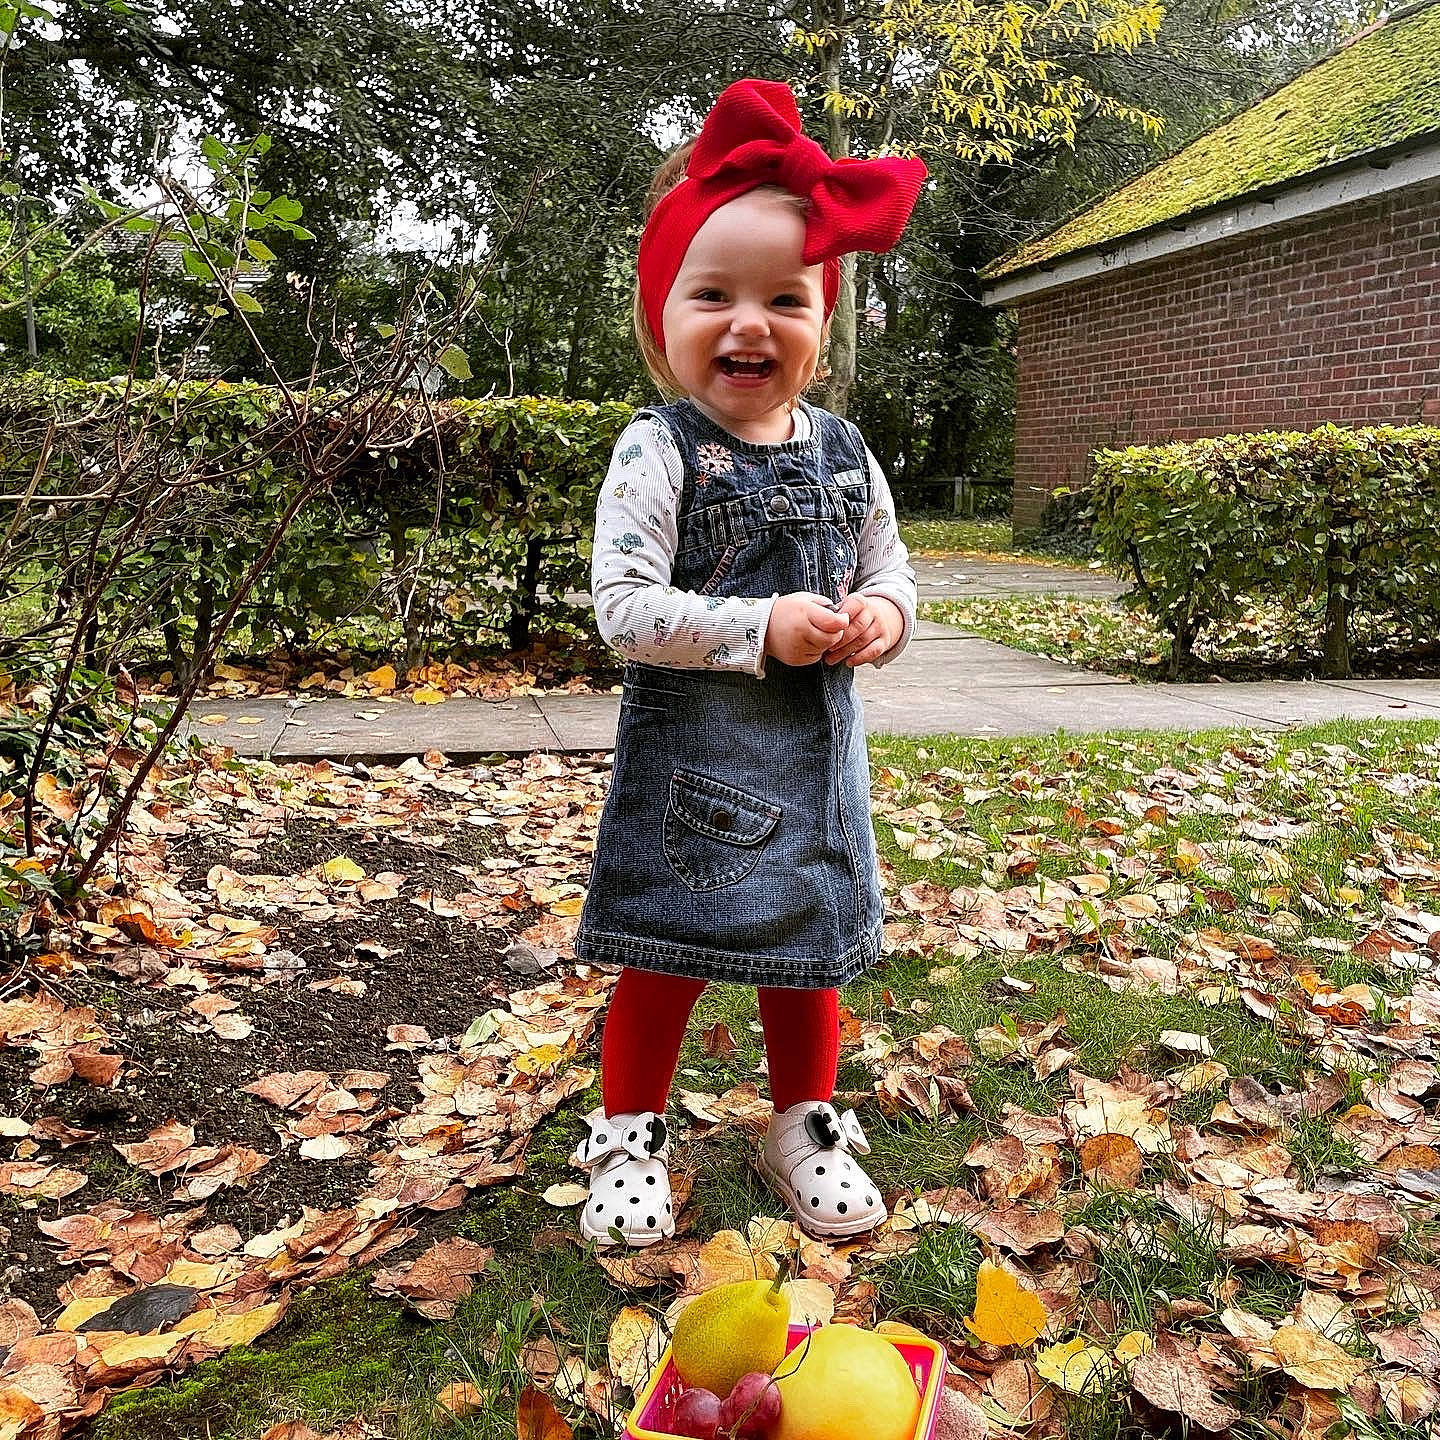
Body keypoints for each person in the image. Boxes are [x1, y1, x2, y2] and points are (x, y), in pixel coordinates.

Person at [571, 78, 925, 1249]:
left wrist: (882, 615)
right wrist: (757, 627)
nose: (750, 324)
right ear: (661, 315)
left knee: (804, 949)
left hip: (812, 763)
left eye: (787, 298)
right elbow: (622, 608)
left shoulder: (847, 450)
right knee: (664, 952)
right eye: (713, 294)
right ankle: (628, 1130)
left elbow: (892, 568)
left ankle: (803, 1120)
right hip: (693, 774)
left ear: (822, 322)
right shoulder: (657, 451)